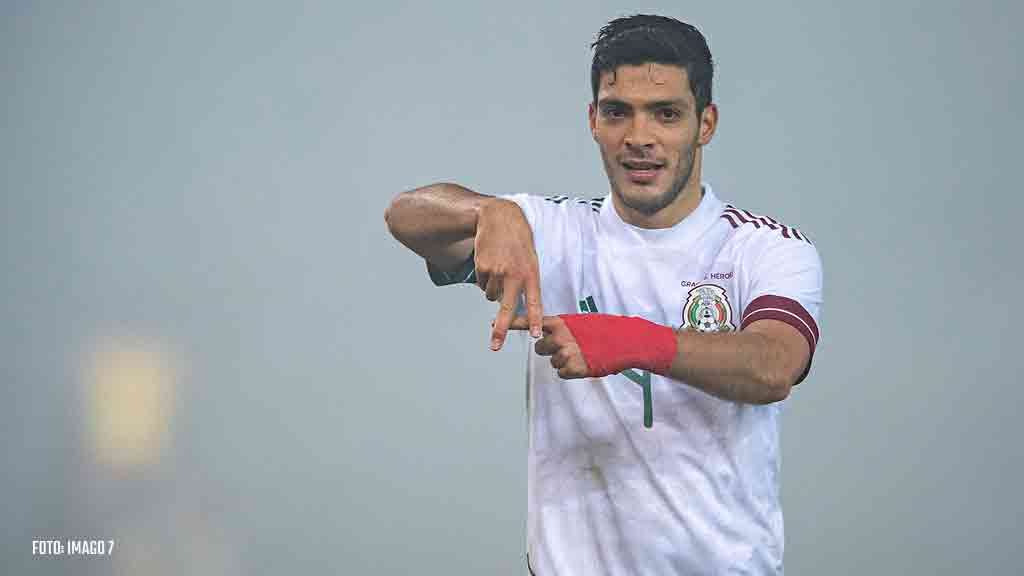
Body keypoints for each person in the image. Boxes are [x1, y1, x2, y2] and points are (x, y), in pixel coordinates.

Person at [385, 14, 823, 575]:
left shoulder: (763, 248)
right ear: (593, 120)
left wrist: (632, 341)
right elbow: (405, 215)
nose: (639, 137)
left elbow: (774, 366)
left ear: (705, 123)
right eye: (618, 112)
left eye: (666, 114)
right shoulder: (551, 233)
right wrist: (491, 211)